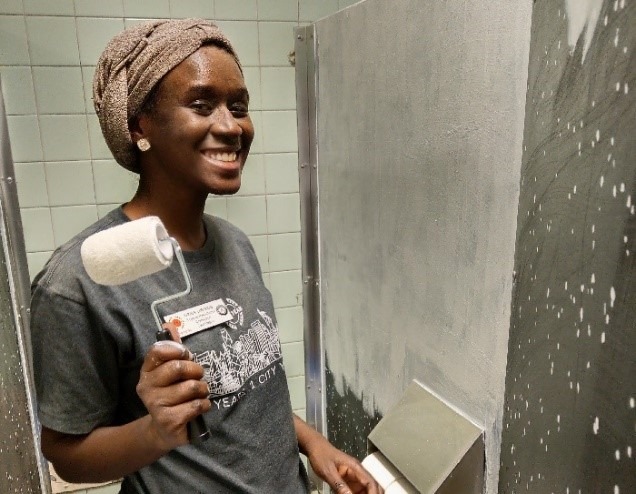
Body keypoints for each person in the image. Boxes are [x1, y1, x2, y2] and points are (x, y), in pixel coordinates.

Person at [30, 19, 381, 494]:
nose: (230, 126)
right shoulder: (79, 280)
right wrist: (154, 432)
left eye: (239, 106)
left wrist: (315, 445)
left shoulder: (235, 244)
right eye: (202, 105)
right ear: (139, 125)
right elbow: (67, 456)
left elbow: (248, 388)